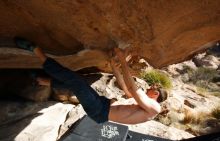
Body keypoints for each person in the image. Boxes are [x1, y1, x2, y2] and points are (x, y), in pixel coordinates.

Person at [14, 37, 166, 124]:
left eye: (154, 87)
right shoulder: (143, 102)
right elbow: (125, 86)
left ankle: (36, 50)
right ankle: (42, 81)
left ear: (156, 95)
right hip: (103, 104)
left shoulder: (154, 108)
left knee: (76, 81)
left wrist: (122, 59)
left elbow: (133, 89)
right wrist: (114, 66)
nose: (151, 86)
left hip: (99, 111)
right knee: (76, 86)